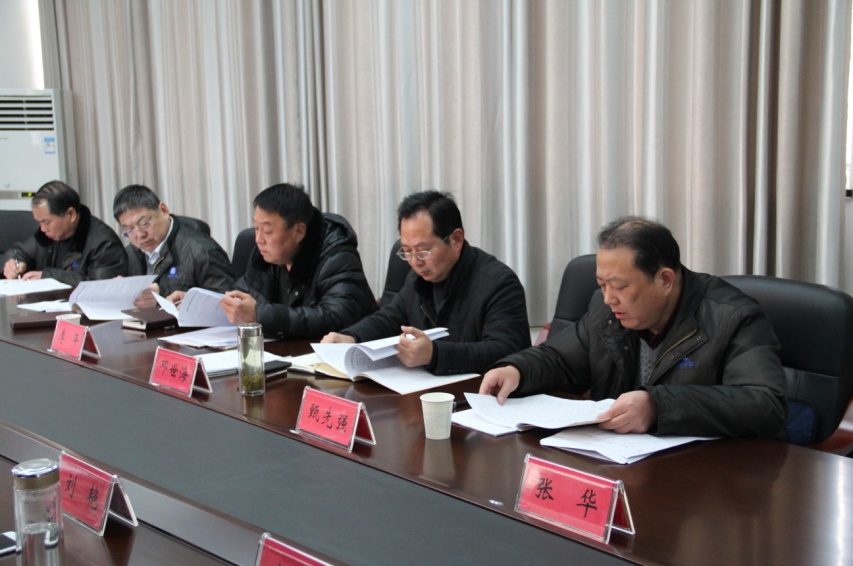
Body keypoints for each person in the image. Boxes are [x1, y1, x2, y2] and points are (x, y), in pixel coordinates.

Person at [479, 216, 787, 440]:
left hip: (709, 477)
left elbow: (765, 405)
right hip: (622, 462)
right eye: (602, 284)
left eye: (621, 286)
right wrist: (517, 370)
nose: (609, 298)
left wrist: (657, 406)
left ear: (664, 280)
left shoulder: (733, 317)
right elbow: (560, 359)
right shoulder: (606, 309)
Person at [322, 190, 531, 376]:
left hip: (478, 395)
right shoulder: (417, 278)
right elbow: (389, 319)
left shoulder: (498, 283)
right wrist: (351, 337)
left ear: (456, 240)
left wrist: (435, 354)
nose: (415, 261)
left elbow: (506, 350)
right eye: (407, 251)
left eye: (423, 250)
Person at [220, 183, 377, 339]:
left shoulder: (337, 256)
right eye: (256, 228)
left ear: (299, 231)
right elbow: (242, 292)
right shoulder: (265, 256)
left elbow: (335, 318)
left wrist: (260, 315)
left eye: (267, 231)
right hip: (282, 349)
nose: (258, 239)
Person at [113, 184, 234, 307]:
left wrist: (162, 295)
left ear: (164, 210)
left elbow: (228, 302)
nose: (140, 235)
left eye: (144, 224)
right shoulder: (130, 254)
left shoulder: (202, 250)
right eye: (129, 230)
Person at [2, 180, 127, 285]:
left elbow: (101, 286)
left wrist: (49, 277)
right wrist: (15, 262)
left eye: (46, 222)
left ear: (70, 214)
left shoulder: (104, 244)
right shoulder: (46, 237)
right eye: (39, 222)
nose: (42, 229)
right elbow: (19, 251)